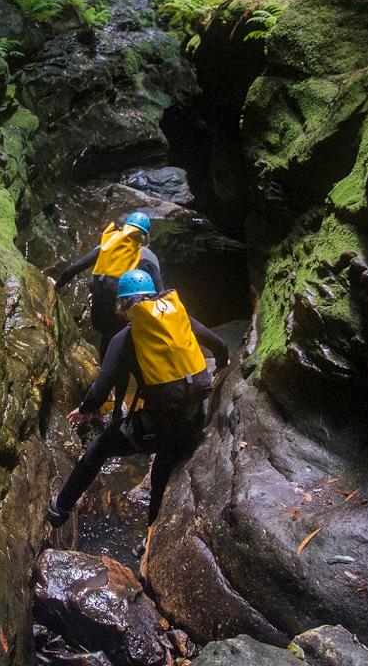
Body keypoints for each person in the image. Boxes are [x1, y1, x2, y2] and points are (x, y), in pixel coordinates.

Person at [47, 269, 229, 542]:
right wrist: (221, 370)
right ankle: (150, 537)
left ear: (122, 305)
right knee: (163, 467)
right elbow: (221, 347)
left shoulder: (125, 338)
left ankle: (59, 509)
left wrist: (85, 410)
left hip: (162, 427)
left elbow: (100, 390)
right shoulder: (179, 318)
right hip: (196, 420)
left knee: (100, 446)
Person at [52, 211, 164, 360]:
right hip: (122, 318)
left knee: (107, 340)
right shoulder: (146, 259)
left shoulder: (106, 246)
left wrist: (57, 287)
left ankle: (103, 374)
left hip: (98, 316)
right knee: (124, 354)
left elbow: (73, 269)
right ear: (145, 237)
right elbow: (161, 294)